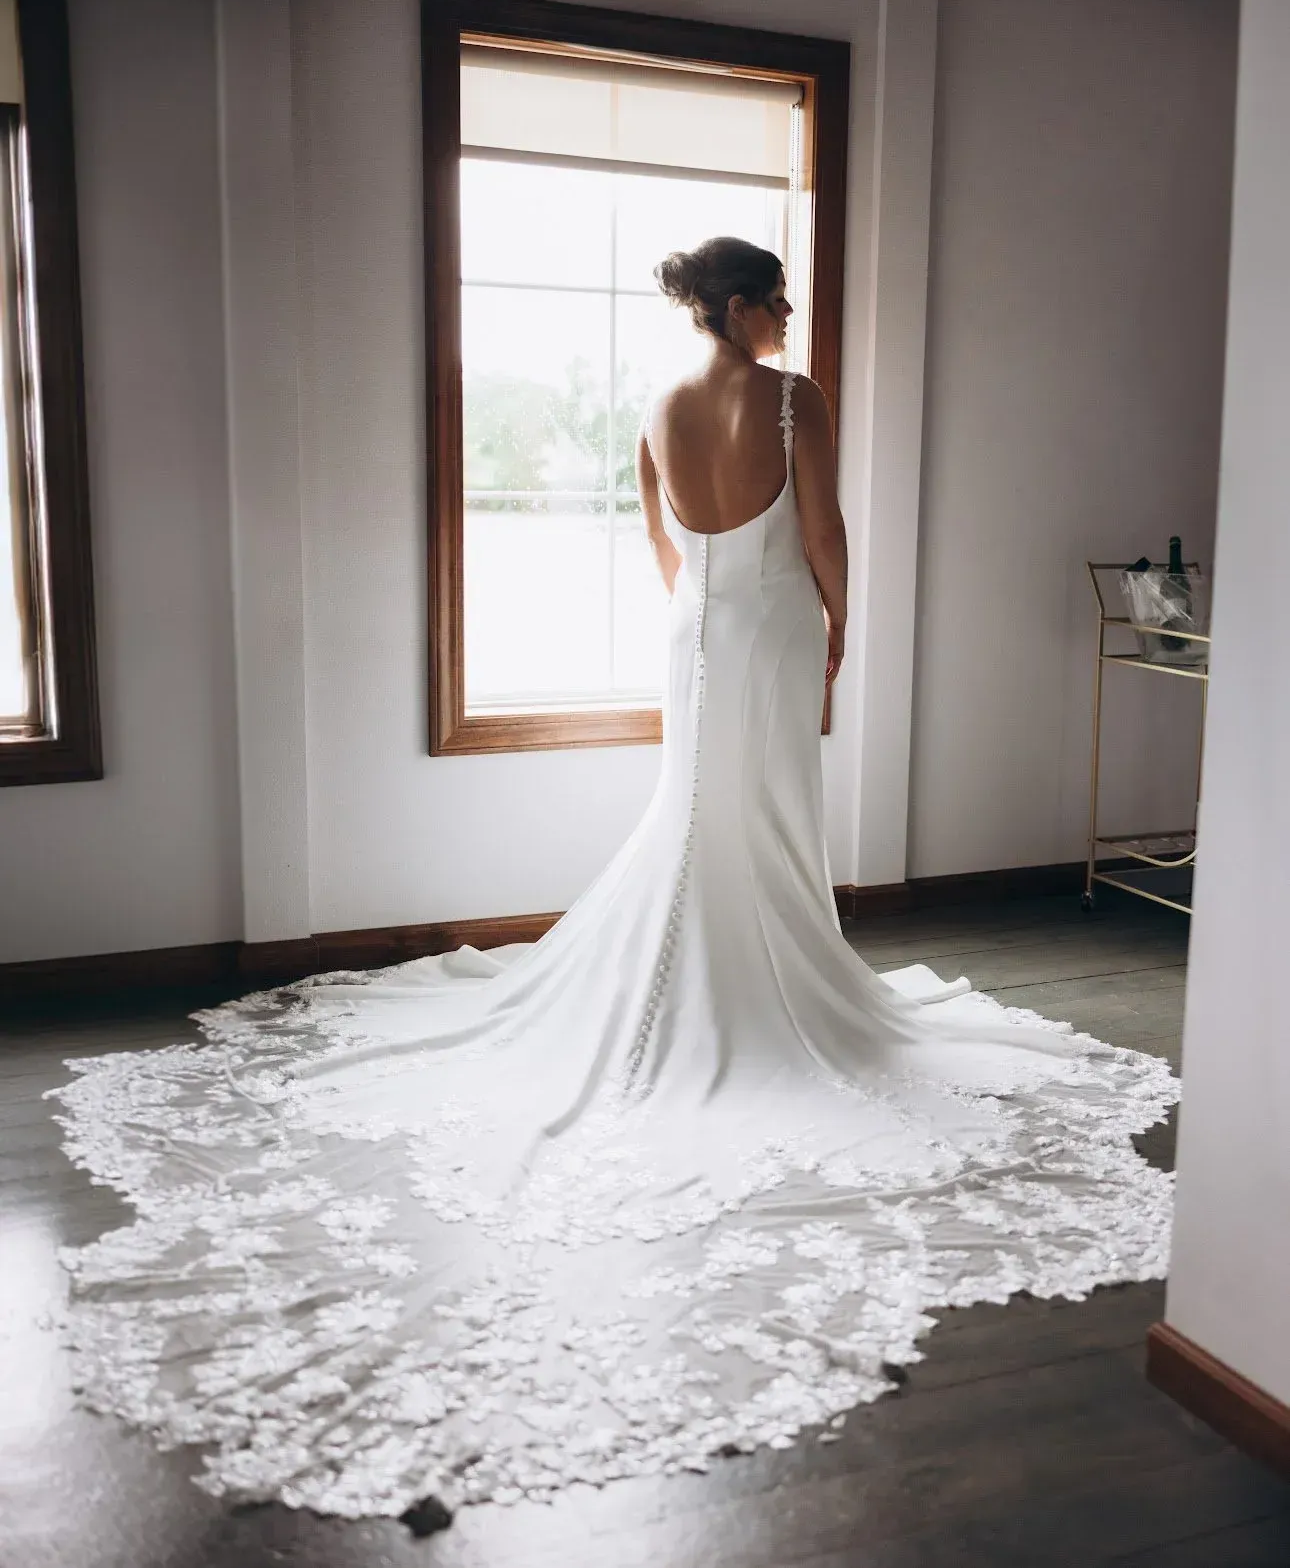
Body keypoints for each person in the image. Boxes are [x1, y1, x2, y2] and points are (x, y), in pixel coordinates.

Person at [52, 237, 1177, 1525]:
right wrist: (836, 629)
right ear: (743, 304)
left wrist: (705, 610)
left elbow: (657, 536)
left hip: (692, 629)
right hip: (764, 627)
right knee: (750, 813)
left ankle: (687, 967)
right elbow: (822, 526)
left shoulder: (656, 401)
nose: (788, 315)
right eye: (778, 298)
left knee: (697, 808)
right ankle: (741, 984)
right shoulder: (790, 393)